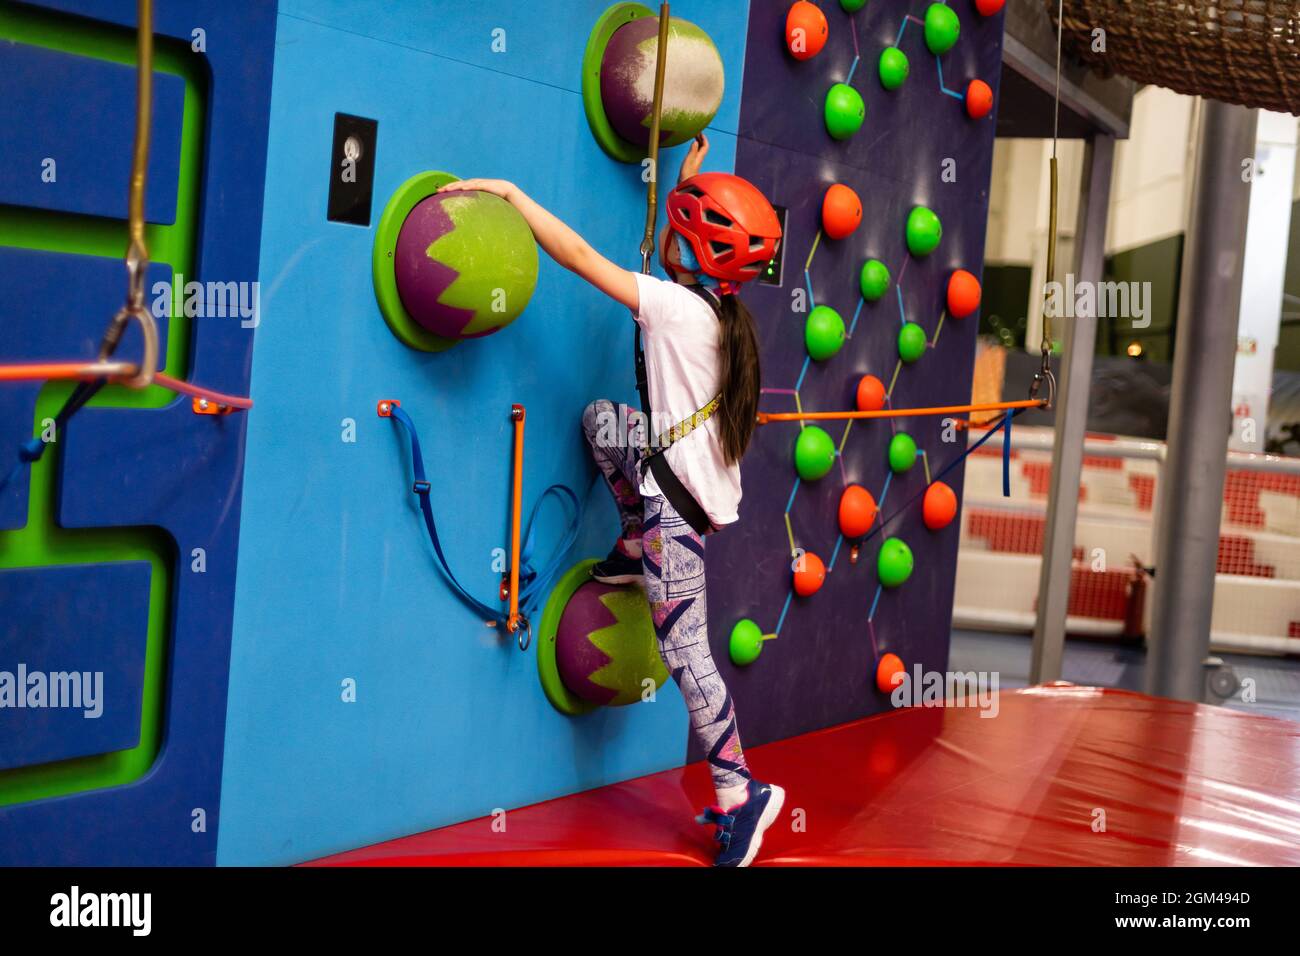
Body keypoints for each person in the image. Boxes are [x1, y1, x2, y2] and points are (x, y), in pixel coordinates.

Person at [441, 135, 784, 867]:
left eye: (681, 225)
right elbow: (664, 264)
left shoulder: (671, 308)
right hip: (671, 495)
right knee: (603, 421)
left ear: (687, 247)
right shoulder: (719, 312)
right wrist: (689, 181)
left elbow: (577, 257)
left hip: (677, 518)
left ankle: (740, 794)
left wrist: (509, 191)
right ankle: (629, 542)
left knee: (686, 654)